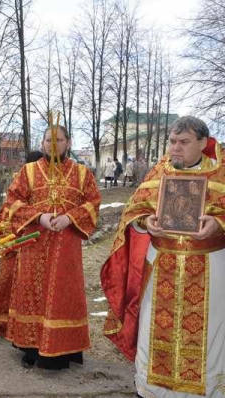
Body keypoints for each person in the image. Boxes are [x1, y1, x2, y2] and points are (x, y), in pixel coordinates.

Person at [101, 116, 225, 397]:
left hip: (209, 268)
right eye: (172, 142)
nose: (176, 148)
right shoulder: (159, 172)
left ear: (203, 143)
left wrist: (218, 225)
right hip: (161, 268)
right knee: (153, 330)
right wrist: (146, 222)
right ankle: (154, 391)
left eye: (184, 142)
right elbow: (133, 210)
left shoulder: (221, 173)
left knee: (210, 337)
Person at [0, 125, 101, 370]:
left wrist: (69, 218)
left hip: (66, 245)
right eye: (48, 140)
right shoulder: (28, 171)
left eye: (58, 139)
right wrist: (39, 217)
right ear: (42, 143)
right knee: (32, 294)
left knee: (62, 294)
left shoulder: (82, 173)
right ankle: (30, 348)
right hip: (33, 244)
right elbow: (12, 202)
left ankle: (63, 350)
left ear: (68, 143)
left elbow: (93, 202)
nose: (53, 144)